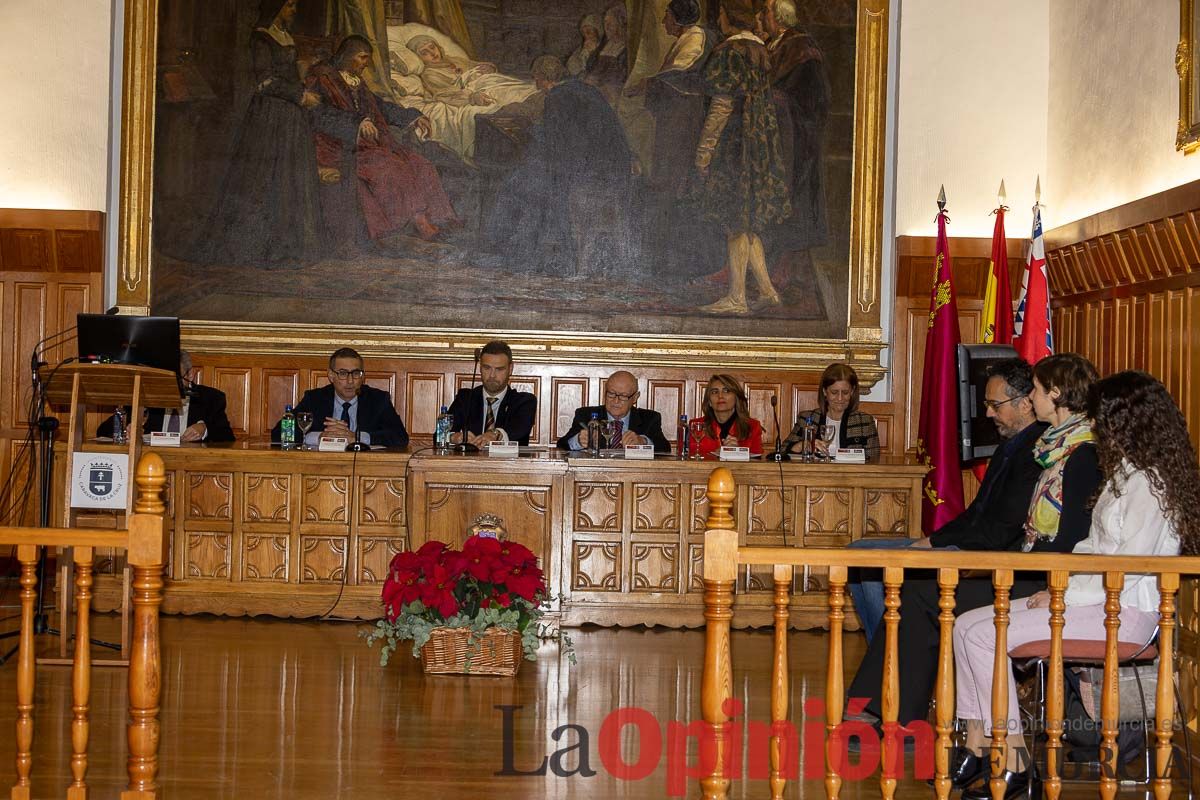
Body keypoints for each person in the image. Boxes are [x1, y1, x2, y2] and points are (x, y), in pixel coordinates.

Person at [951, 370, 1200, 800]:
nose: (1096, 426)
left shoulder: (1150, 481)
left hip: (1126, 615)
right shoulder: (1126, 471)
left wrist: (1063, 595)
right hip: (1093, 602)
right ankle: (978, 741)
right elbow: (1091, 544)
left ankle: (1012, 760)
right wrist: (1064, 582)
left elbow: (1128, 565)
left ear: (1125, 420)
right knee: (965, 626)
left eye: (1102, 418)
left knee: (987, 634)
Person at [845, 354, 1103, 735]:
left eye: (1036, 390)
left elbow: (1068, 539)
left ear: (1056, 394)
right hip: (1022, 568)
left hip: (1037, 580)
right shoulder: (1052, 448)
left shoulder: (1079, 453)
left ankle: (899, 716)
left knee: (918, 589)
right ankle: (891, 711)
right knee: (912, 586)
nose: (1032, 397)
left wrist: (1046, 582)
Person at [482, 56, 638, 278]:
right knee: (531, 182)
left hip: (588, 173)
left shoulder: (556, 96)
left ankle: (518, 255)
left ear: (540, 78)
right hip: (613, 170)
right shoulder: (587, 90)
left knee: (522, 186)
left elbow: (558, 144)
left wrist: (535, 137)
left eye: (536, 78)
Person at [200, 0, 325, 266]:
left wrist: (302, 75)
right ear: (275, 5)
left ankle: (290, 247)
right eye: (289, 4)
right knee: (264, 180)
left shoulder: (285, 35)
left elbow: (289, 74)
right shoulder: (261, 38)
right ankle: (259, 249)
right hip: (269, 117)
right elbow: (265, 81)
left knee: (291, 180)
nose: (294, 9)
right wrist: (300, 95)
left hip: (291, 118)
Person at [306, 35, 457, 246]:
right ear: (348, 55)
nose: (366, 63)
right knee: (392, 167)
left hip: (370, 145)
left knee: (421, 164)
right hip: (338, 146)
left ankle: (440, 219)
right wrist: (356, 123)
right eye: (362, 57)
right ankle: (419, 223)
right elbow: (316, 114)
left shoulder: (356, 80)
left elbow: (379, 106)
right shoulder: (321, 77)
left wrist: (412, 116)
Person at [692, 0, 791, 315]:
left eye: (721, 13)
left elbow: (720, 109)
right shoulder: (761, 50)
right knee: (748, 223)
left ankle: (736, 298)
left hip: (733, 147)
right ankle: (766, 290)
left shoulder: (727, 53)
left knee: (736, 221)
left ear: (728, 16)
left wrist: (704, 153)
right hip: (759, 144)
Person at [761, 0, 829, 290]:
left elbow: (816, 97)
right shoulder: (777, 44)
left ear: (777, 17)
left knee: (794, 198)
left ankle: (786, 265)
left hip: (797, 138)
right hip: (776, 134)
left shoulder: (802, 49)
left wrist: (780, 102)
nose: (760, 16)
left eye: (764, 11)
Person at [271, 348, 409, 448]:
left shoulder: (377, 399)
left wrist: (356, 437)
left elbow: (400, 437)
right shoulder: (315, 399)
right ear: (331, 376)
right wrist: (319, 437)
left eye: (355, 373)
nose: (350, 381)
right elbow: (279, 434)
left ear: (362, 376)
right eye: (343, 373)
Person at [97, 350, 235, 443]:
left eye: (175, 377)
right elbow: (102, 430)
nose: (169, 383)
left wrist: (205, 429)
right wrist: (125, 428)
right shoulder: (147, 397)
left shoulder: (210, 398)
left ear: (190, 374)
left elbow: (227, 437)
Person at [448, 341, 536, 447]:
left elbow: (519, 429)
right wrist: (454, 437)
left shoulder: (524, 401)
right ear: (480, 367)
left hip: (509, 462)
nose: (492, 375)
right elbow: (439, 435)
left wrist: (495, 435)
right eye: (487, 368)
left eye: (499, 369)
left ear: (511, 369)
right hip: (469, 462)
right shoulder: (466, 398)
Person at [557, 370, 671, 452]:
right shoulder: (586, 415)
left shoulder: (649, 418)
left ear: (635, 397)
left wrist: (643, 442)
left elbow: (665, 448)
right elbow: (562, 445)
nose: (615, 400)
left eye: (623, 396)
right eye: (611, 394)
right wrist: (578, 441)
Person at [783, 363, 879, 459]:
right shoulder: (808, 419)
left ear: (852, 391)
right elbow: (780, 454)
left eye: (845, 393)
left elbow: (875, 461)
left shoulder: (865, 422)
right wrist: (801, 445)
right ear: (825, 391)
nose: (840, 398)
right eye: (834, 392)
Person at [692, 374, 764, 456]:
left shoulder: (753, 426)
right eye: (714, 392)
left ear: (736, 398)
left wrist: (738, 453)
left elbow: (757, 463)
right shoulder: (696, 426)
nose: (720, 396)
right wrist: (716, 454)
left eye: (726, 391)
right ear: (709, 401)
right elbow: (691, 459)